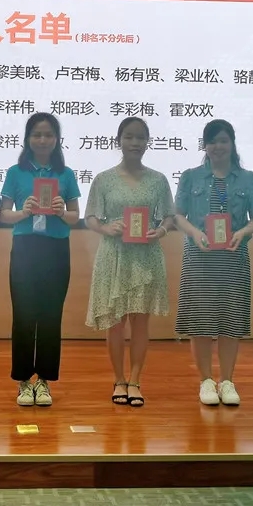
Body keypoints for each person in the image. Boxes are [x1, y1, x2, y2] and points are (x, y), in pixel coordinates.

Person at [83, 116, 176, 407]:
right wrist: (105, 227)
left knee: (140, 322)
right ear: (119, 141)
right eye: (129, 137)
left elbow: (169, 216)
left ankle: (135, 380)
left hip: (146, 256)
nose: (135, 143)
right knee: (115, 322)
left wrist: (160, 231)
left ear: (148, 142)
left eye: (140, 137)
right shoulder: (103, 179)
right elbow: (90, 217)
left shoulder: (158, 180)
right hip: (114, 255)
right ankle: (119, 379)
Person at [173, 119, 253, 407]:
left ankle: (226, 380)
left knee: (230, 320)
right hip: (199, 257)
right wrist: (194, 232)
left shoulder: (248, 179)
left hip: (233, 258)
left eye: (223, 140)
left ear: (232, 143)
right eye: (212, 141)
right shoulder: (191, 177)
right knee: (200, 321)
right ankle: (206, 381)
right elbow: (177, 215)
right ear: (205, 145)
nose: (217, 146)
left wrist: (243, 232)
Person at [0, 112, 81, 407]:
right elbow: (3, 214)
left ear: (57, 139)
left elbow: (75, 216)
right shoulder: (15, 172)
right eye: (37, 134)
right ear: (28, 138)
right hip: (25, 249)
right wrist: (24, 211)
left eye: (48, 134)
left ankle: (44, 381)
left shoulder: (66, 174)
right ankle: (23, 381)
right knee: (23, 316)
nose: (42, 140)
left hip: (56, 249)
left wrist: (61, 212)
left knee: (50, 316)